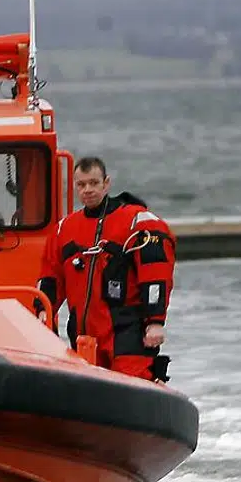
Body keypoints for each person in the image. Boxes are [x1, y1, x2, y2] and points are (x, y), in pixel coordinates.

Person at [37, 156, 177, 383]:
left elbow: (156, 274)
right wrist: (43, 313)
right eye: (81, 185)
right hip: (83, 334)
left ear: (106, 183)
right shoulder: (64, 229)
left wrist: (155, 321)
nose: (87, 190)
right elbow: (50, 277)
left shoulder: (138, 222)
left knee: (132, 384)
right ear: (74, 186)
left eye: (93, 183)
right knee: (90, 391)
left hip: (127, 331)